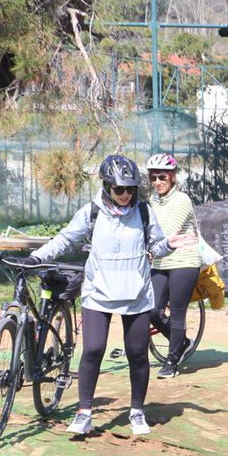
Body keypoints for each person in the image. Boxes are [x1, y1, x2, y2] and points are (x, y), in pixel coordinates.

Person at [25, 155, 197, 436]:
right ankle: (84, 412)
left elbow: (156, 245)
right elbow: (66, 239)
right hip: (98, 292)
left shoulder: (143, 212)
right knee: (93, 349)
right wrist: (36, 257)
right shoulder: (91, 213)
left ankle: (137, 411)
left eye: (131, 189)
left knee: (137, 354)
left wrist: (170, 244)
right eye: (119, 189)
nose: (126, 195)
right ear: (106, 187)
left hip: (136, 294)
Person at [145, 153, 201, 379]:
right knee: (151, 310)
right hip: (160, 260)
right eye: (153, 178)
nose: (157, 182)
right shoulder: (150, 201)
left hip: (183, 260)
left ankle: (171, 361)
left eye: (162, 177)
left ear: (172, 178)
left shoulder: (182, 200)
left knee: (177, 312)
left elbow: (168, 232)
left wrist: (147, 246)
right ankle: (181, 341)